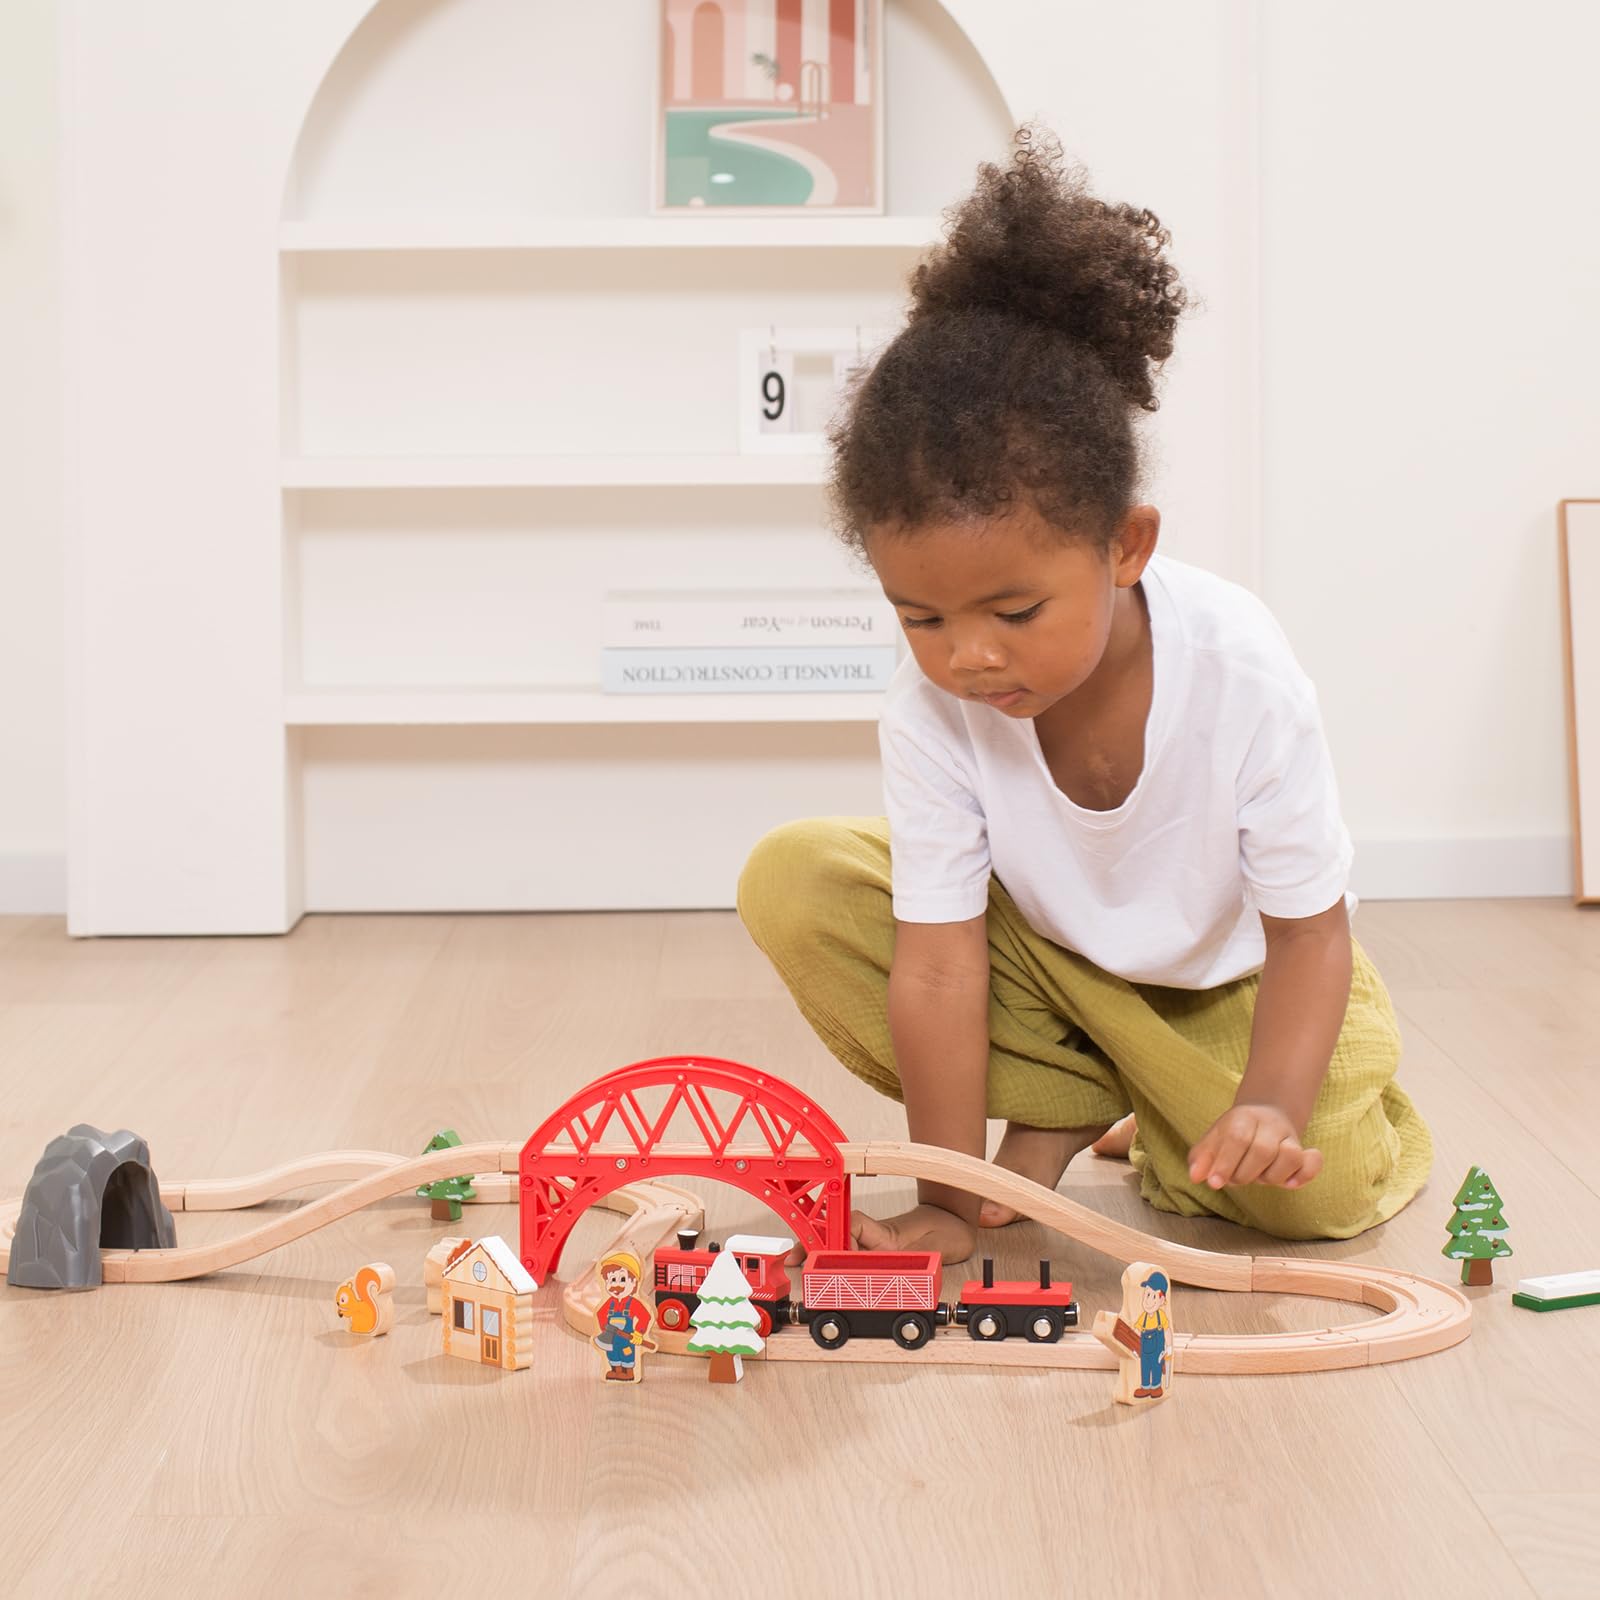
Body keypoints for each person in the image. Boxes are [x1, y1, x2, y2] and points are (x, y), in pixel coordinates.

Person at [737, 125, 1431, 1265]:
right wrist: (950, 1201)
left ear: (1124, 547)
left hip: (1236, 985)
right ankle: (1075, 1096)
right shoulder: (931, 716)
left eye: (1012, 614)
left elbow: (1310, 937)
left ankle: (1135, 1101)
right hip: (1057, 974)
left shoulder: (1240, 671)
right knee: (794, 876)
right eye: (921, 618)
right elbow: (941, 958)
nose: (967, 658)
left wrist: (1266, 1100)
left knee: (1311, 1197)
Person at [593, 1250, 653, 1381]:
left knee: (627, 1354)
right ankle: (616, 1371)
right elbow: (600, 1314)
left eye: (623, 1279)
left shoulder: (633, 1304)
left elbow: (645, 1317)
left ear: (634, 1283)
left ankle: (629, 1372)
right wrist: (605, 1329)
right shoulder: (609, 1304)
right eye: (612, 1280)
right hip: (611, 1339)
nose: (617, 1285)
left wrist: (639, 1332)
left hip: (627, 1339)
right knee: (612, 1354)